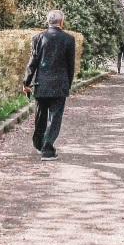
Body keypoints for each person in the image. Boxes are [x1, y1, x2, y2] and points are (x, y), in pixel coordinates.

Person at [23, 10, 79, 158]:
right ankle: (47, 148)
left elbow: (32, 62)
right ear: (61, 22)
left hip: (41, 83)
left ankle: (38, 143)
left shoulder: (38, 38)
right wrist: (68, 83)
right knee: (54, 117)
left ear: (48, 22)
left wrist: (26, 82)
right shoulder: (69, 39)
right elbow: (70, 65)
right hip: (59, 84)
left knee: (40, 115)